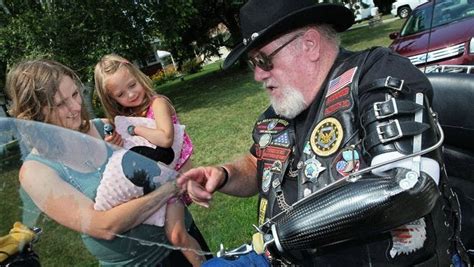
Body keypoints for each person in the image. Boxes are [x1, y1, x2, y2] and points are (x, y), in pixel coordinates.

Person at [178, 0, 469, 266]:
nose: (258, 75)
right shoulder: (279, 112)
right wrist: (224, 173)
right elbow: (259, 164)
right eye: (253, 64)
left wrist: (281, 236)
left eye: (264, 61)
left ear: (310, 44)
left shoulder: (376, 75)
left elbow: (406, 186)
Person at [6, 59, 209, 266]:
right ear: (35, 114)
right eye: (60, 104)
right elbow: (104, 227)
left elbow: (160, 157)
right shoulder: (35, 172)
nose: (76, 107)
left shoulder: (105, 128)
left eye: (75, 94)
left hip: (185, 241)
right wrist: (174, 186)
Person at [94, 54, 205, 266]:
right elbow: (135, 153)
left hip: (178, 177)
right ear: (112, 99)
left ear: (138, 76)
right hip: (159, 182)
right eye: (121, 94)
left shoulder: (158, 104)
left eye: (132, 85)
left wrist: (134, 129)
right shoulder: (129, 117)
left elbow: (165, 138)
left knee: (177, 235)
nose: (131, 94)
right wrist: (116, 143)